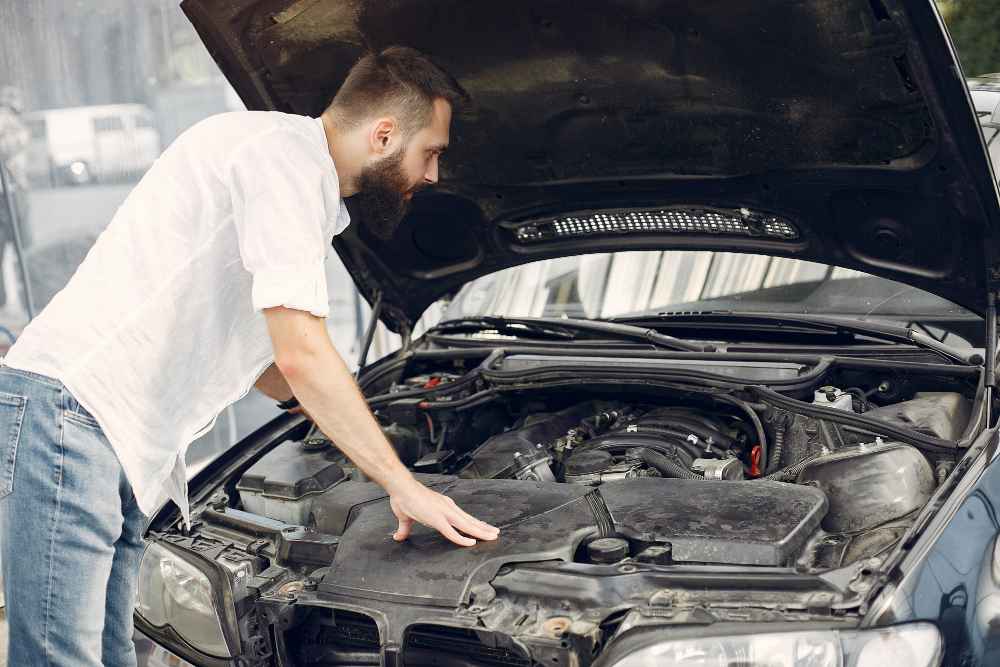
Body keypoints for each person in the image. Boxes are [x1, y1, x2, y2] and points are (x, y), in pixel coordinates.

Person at [0, 47, 500, 666]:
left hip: (114, 433)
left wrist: (333, 424)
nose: (432, 175)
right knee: (57, 657)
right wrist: (402, 484)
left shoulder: (292, 174)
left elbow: (262, 352)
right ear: (384, 134)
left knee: (107, 652)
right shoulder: (281, 162)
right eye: (432, 152)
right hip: (73, 412)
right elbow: (300, 351)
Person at [0, 85, 31, 307]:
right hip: (8, 192)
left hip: (13, 189)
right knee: (22, 247)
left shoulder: (10, 120)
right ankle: (25, 294)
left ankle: (19, 295)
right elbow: (7, 148)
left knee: (20, 247)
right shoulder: (6, 120)